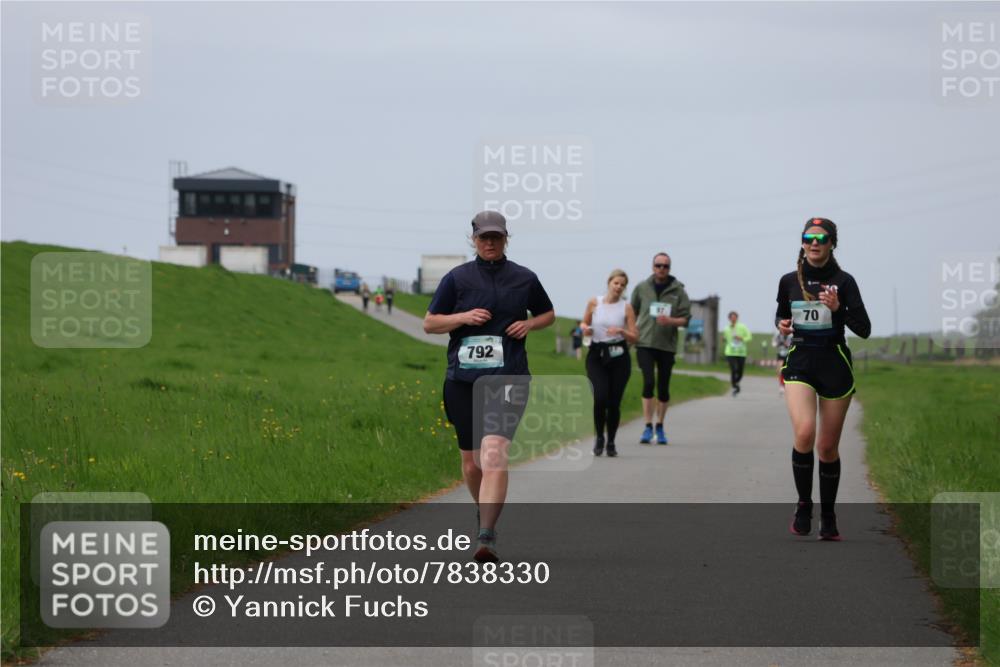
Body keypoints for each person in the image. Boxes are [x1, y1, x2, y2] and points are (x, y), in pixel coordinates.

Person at [423, 211, 555, 562]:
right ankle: (484, 511)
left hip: (508, 377)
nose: (490, 242)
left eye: (496, 237)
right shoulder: (457, 279)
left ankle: (487, 536)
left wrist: (530, 326)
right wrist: (463, 317)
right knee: (471, 464)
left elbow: (548, 313)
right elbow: (430, 323)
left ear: (506, 238)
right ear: (474, 240)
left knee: (494, 452)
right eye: (484, 237)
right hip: (463, 380)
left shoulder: (524, 278)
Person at [775, 217, 871, 541]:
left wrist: (838, 308)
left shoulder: (844, 281)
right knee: (804, 432)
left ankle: (828, 514)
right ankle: (804, 504)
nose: (814, 243)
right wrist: (783, 325)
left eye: (822, 238)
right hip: (800, 360)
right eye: (809, 237)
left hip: (834, 362)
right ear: (802, 242)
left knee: (827, 447)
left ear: (832, 243)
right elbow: (780, 313)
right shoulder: (789, 280)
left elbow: (865, 329)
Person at [630, 252, 691, 445]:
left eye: (665, 266)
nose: (661, 269)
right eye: (658, 265)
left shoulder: (678, 290)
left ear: (670, 268)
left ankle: (660, 426)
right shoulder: (641, 288)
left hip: (666, 345)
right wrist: (630, 333)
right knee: (648, 382)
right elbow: (632, 312)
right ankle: (647, 425)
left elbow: (686, 319)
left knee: (663, 387)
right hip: (645, 343)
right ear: (652, 266)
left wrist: (671, 321)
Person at [581, 270, 638, 457]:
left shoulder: (626, 307)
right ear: (609, 283)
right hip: (597, 354)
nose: (618, 287)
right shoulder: (594, 302)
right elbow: (584, 324)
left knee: (614, 402)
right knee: (600, 397)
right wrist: (586, 330)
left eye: (622, 285)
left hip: (619, 355)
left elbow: (635, 336)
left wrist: (621, 331)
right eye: (616, 283)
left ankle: (611, 441)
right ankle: (599, 437)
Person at [722, 311, 752, 396]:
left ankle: (736, 382)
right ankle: (735, 386)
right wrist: (724, 339)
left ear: (737, 318)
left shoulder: (742, 327)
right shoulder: (726, 328)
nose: (733, 319)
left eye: (734, 317)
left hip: (741, 353)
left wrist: (742, 338)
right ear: (729, 319)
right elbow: (725, 338)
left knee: (740, 371)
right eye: (731, 318)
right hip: (730, 352)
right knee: (734, 369)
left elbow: (749, 337)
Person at [773, 330, 793, 395]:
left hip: (789, 354)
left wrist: (787, 345)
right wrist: (778, 344)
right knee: (779, 370)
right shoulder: (778, 334)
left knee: (788, 371)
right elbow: (773, 343)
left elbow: (796, 343)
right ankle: (781, 385)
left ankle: (787, 384)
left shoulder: (791, 335)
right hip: (781, 354)